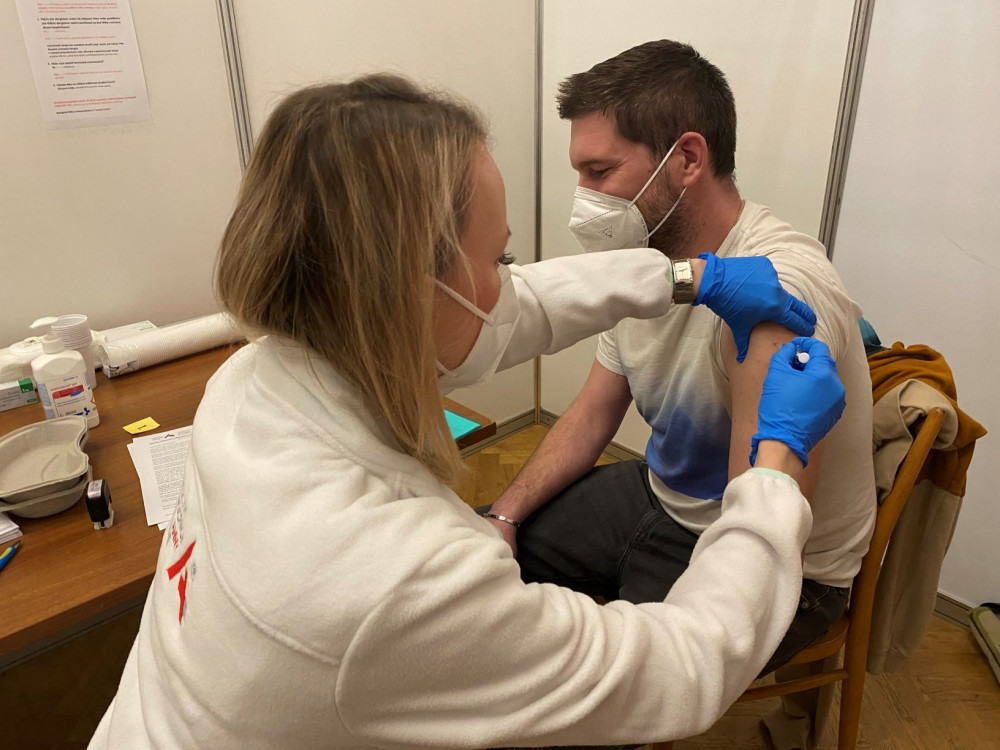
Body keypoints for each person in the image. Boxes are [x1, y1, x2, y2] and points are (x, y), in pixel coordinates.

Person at [90, 74, 846, 749]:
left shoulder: (246, 383)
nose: (509, 285)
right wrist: (774, 469)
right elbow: (684, 670)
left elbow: (514, 309)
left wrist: (684, 279)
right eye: (497, 261)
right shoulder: (394, 579)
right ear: (408, 287)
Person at [485, 39, 877, 680]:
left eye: (600, 171)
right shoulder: (651, 265)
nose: (583, 197)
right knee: (475, 560)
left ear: (687, 159)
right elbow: (593, 409)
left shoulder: (774, 298)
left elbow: (766, 531)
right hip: (661, 496)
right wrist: (505, 515)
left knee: (621, 690)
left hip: (785, 562)